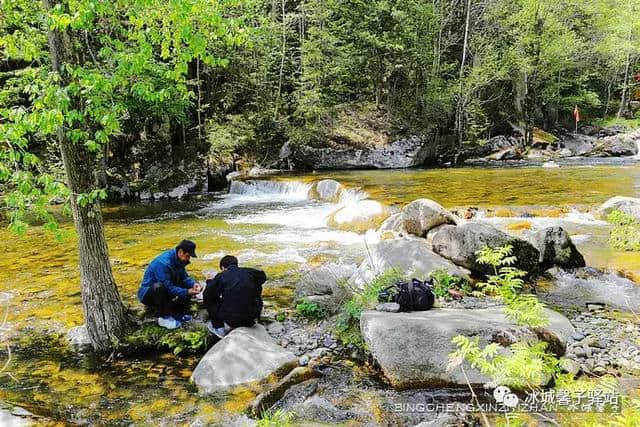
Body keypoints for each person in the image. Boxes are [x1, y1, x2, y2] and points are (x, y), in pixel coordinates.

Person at [138, 240, 202, 329]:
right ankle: (164, 318)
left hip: (165, 292)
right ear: (180, 252)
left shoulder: (178, 259)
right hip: (149, 295)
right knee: (159, 287)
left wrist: (194, 284)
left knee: (189, 285)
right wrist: (187, 291)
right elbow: (168, 288)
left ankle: (178, 313)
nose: (188, 259)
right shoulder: (163, 263)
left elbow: (185, 277)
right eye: (188, 256)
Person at [203, 255, 266, 338]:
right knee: (255, 288)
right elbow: (263, 277)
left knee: (209, 298)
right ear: (236, 264)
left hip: (232, 321)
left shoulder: (222, 275)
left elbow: (208, 294)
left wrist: (209, 281)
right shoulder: (250, 272)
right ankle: (257, 316)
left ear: (223, 267)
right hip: (251, 319)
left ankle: (219, 328)